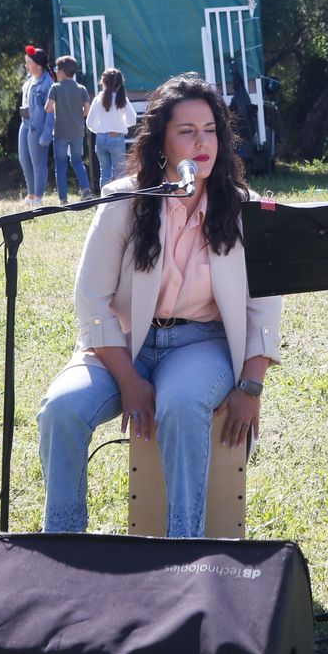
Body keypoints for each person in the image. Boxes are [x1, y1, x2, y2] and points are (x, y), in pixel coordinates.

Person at [37, 75, 283, 536]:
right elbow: (92, 299)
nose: (201, 142)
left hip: (201, 343)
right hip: (122, 346)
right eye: (186, 131)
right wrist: (129, 381)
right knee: (61, 410)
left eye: (209, 129)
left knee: (183, 402)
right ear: (161, 142)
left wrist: (251, 386)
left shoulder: (244, 208)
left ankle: (181, 553)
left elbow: (264, 308)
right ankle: (63, 547)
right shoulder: (124, 200)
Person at [45, 56, 94, 202]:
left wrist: (56, 107)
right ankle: (86, 191)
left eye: (56, 70)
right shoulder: (81, 89)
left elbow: (48, 108)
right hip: (77, 131)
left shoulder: (55, 88)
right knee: (77, 161)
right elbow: (86, 110)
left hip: (60, 132)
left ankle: (63, 198)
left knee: (61, 164)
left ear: (61, 72)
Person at [17, 47, 56, 208]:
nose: (26, 66)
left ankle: (38, 197)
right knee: (24, 159)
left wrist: (47, 134)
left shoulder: (48, 83)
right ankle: (31, 193)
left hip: (37, 127)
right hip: (25, 124)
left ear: (39, 65)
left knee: (38, 162)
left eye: (29, 63)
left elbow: (51, 112)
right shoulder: (29, 79)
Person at [87, 68, 137, 189]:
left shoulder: (97, 99)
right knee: (120, 173)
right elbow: (132, 119)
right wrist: (121, 127)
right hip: (116, 137)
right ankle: (119, 200)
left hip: (100, 138)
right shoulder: (122, 99)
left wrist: (99, 131)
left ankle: (104, 200)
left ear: (103, 81)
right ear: (120, 84)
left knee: (105, 172)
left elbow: (89, 122)